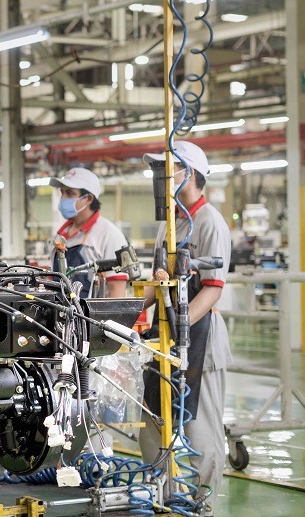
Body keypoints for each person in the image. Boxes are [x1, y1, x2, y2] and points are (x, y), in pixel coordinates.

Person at [139, 141, 232, 501]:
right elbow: (158, 282)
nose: (161, 178)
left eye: (167, 170)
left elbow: (212, 289)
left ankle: (201, 504)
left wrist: (180, 328)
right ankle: (162, 498)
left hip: (199, 339)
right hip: (163, 338)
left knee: (199, 429)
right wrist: (128, 314)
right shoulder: (170, 223)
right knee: (153, 423)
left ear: (188, 173)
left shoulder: (210, 222)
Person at [49, 167, 130, 298]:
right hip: (59, 309)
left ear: (88, 199)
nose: (63, 198)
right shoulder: (59, 236)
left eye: (69, 193)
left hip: (92, 311)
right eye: (62, 192)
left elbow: (117, 294)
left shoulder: (109, 235)